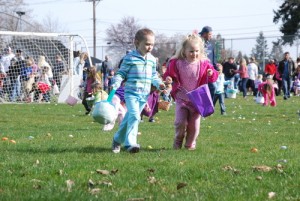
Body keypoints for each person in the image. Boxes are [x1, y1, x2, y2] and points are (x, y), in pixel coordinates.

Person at [109, 28, 165, 153]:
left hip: (144, 95)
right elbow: (121, 73)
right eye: (147, 44)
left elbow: (153, 76)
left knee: (130, 117)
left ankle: (117, 140)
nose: (150, 47)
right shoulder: (130, 58)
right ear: (137, 42)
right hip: (131, 93)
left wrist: (160, 84)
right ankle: (131, 144)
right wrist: (116, 82)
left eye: (152, 44)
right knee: (135, 116)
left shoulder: (151, 60)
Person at [163, 33, 218, 150]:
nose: (194, 54)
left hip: (197, 100)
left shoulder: (204, 63)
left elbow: (214, 76)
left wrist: (211, 73)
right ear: (184, 51)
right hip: (181, 98)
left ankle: (190, 144)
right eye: (191, 51)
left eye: (197, 51)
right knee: (180, 123)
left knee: (194, 126)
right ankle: (178, 141)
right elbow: (169, 74)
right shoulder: (177, 63)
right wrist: (168, 78)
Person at [199, 26, 220, 100]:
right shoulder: (197, 43)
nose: (211, 36)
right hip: (199, 71)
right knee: (200, 89)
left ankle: (208, 104)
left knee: (213, 87)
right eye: (210, 34)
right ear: (204, 34)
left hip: (209, 71)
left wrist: (216, 68)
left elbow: (213, 58)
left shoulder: (210, 45)